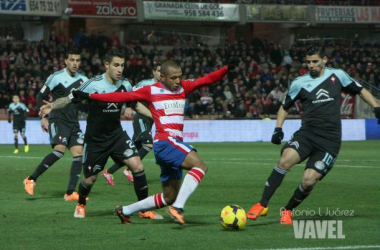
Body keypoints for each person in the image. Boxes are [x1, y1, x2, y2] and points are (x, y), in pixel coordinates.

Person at [68, 58, 240, 224]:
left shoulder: (183, 87)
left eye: (180, 76)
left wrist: (226, 69)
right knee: (200, 166)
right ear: (162, 77)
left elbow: (207, 79)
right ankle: (178, 208)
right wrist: (90, 96)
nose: (178, 81)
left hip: (169, 146)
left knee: (169, 196)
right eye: (173, 78)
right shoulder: (151, 90)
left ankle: (125, 210)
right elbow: (119, 97)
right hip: (166, 142)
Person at [245, 44, 380, 225]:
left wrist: (376, 107)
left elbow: (361, 90)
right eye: (308, 62)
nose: (311, 65)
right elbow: (284, 107)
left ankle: (287, 210)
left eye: (315, 61)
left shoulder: (337, 76)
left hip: (329, 141)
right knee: (285, 159)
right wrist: (278, 128)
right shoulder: (299, 83)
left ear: (324, 60)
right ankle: (262, 204)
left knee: (309, 181)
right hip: (307, 134)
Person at [39, 50, 161, 221]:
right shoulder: (93, 84)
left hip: (117, 136)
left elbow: (135, 106)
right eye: (116, 65)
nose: (120, 69)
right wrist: (52, 105)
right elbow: (70, 98)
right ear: (107, 65)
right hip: (96, 141)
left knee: (137, 166)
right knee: (90, 179)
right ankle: (81, 204)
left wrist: (156, 117)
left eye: (122, 65)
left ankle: (143, 209)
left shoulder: (125, 84)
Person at [23, 48, 88, 200]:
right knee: (59, 150)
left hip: (74, 122)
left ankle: (70, 192)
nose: (75, 63)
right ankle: (31, 179)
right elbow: (41, 95)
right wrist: (43, 117)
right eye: (72, 60)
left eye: (78, 60)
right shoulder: (56, 77)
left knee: (79, 154)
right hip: (58, 119)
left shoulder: (84, 80)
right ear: (66, 61)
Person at [102, 64, 161, 185]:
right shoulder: (145, 83)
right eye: (159, 71)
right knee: (148, 145)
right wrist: (129, 107)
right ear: (154, 72)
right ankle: (129, 170)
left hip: (150, 121)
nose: (161, 74)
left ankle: (108, 172)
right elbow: (130, 94)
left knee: (132, 152)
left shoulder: (164, 88)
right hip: (141, 117)